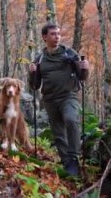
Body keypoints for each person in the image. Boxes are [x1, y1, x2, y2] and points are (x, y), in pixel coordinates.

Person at [28, 23, 90, 176]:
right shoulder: (40, 59)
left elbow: (82, 78)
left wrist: (85, 67)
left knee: (71, 119)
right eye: (53, 34)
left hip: (69, 96)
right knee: (58, 132)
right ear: (44, 37)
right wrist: (32, 73)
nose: (57, 37)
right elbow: (35, 86)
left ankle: (74, 157)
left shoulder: (70, 54)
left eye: (58, 34)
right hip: (50, 99)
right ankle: (66, 163)